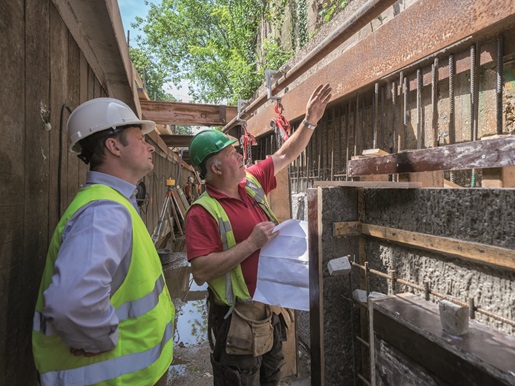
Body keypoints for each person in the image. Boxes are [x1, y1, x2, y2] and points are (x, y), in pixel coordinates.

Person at [185, 84, 332, 385]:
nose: (240, 156)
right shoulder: (203, 212)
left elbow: (286, 154)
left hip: (269, 312)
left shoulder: (250, 182)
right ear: (215, 167)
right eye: (232, 154)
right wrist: (251, 244)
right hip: (236, 320)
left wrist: (310, 120)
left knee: (271, 379)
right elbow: (200, 272)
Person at [32, 98, 175, 386]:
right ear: (114, 146)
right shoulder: (104, 212)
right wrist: (98, 340)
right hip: (113, 377)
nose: (149, 147)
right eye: (140, 138)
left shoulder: (113, 203)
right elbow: (72, 302)